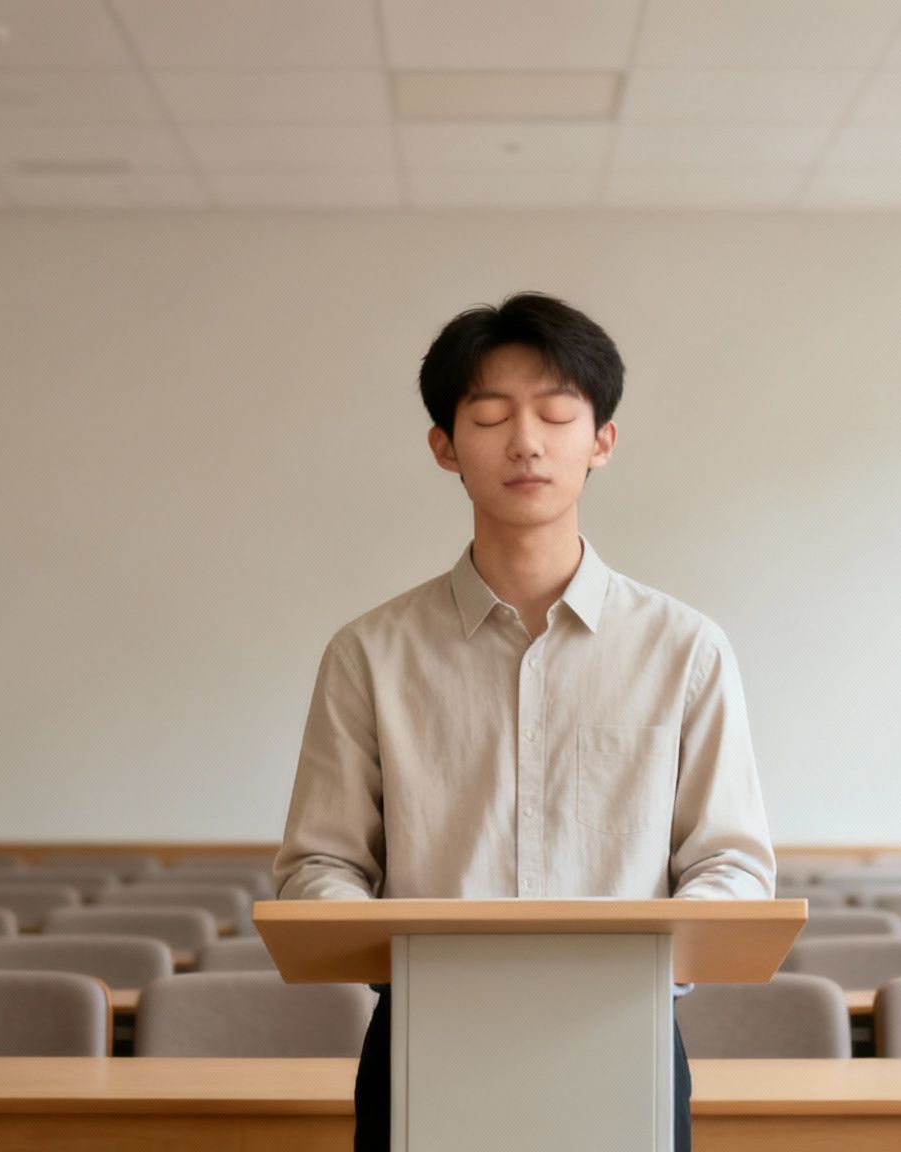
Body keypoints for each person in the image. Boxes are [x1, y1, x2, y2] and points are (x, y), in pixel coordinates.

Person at [273, 292, 775, 1152]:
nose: (527, 442)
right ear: (445, 447)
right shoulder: (370, 653)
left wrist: (644, 954)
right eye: (491, 416)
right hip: (423, 1038)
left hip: (625, 1032)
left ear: (602, 441)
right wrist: (399, 946)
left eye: (556, 414)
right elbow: (320, 863)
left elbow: (731, 863)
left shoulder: (686, 649)